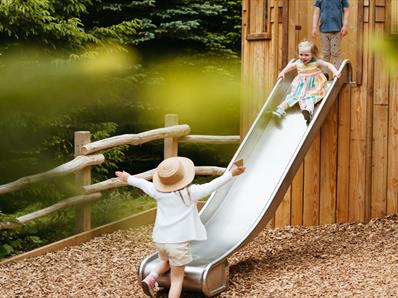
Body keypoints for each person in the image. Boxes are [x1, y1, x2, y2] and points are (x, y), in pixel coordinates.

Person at [115, 156, 245, 298]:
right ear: (183, 177)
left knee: (166, 261)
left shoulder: (157, 191)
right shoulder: (190, 193)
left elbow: (142, 184)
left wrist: (127, 177)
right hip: (177, 243)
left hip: (160, 240)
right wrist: (231, 173)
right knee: (177, 279)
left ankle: (151, 277)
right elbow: (214, 184)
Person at [272, 40, 340, 124]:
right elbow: (290, 67)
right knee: (293, 96)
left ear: (313, 54)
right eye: (301, 54)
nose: (303, 57)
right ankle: (280, 109)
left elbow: (328, 65)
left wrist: (335, 72)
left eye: (306, 55)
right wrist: (282, 72)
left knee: (310, 97)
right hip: (301, 85)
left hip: (314, 85)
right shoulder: (298, 63)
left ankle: (308, 111)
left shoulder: (316, 62)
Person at [312, 0, 349, 76]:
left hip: (337, 30)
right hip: (324, 30)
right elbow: (316, 12)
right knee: (325, 53)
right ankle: (325, 74)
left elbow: (346, 11)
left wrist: (345, 25)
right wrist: (314, 27)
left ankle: (336, 73)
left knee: (335, 53)